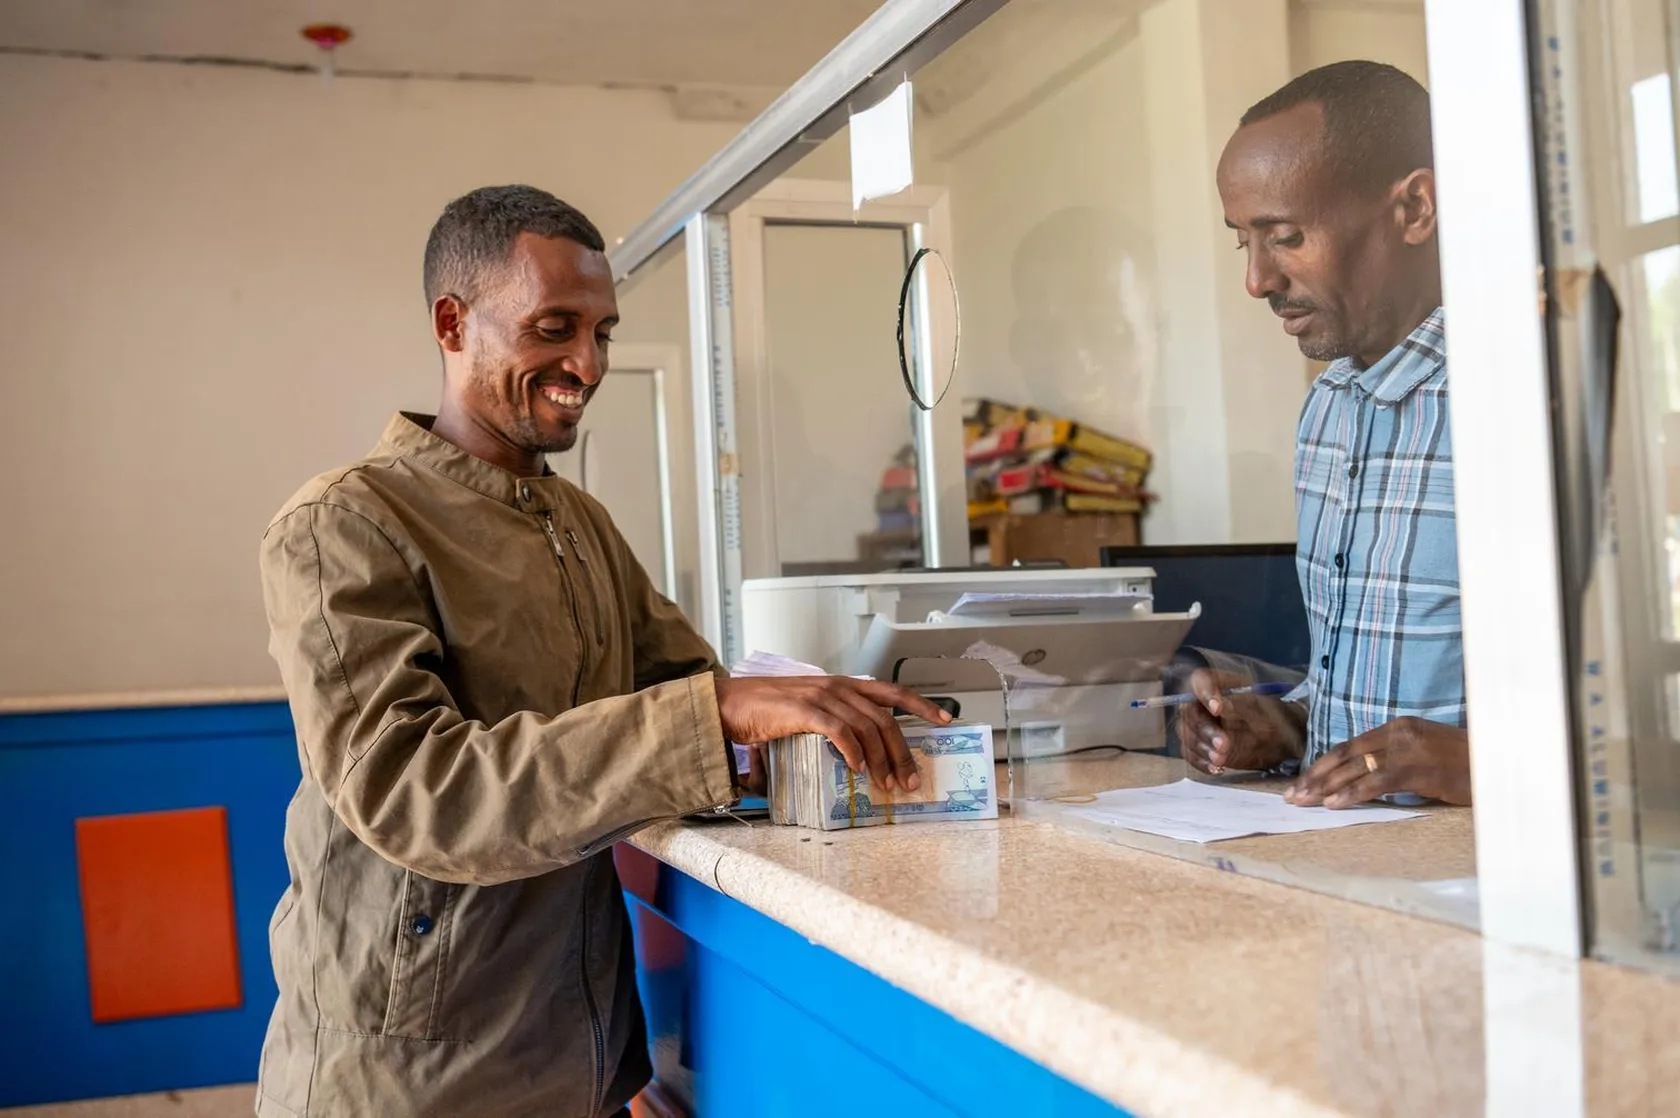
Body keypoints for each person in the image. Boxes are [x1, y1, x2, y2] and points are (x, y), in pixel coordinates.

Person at [255, 184, 950, 1118]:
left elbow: (692, 695)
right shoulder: (345, 524)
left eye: (603, 332)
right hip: (410, 1077)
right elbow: (412, 789)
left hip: (575, 1053)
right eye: (553, 329)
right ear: (453, 324)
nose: (587, 362)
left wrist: (819, 714)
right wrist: (713, 714)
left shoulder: (582, 524)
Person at [1179, 60, 1471, 808]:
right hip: (1349, 864)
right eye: (1241, 241)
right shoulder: (1330, 407)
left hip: (1492, 886)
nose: (1256, 280)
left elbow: (1639, 702)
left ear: (1414, 210)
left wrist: (1484, 765)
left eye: (1284, 236)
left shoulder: (1514, 404)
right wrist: (1282, 724)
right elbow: (1363, 702)